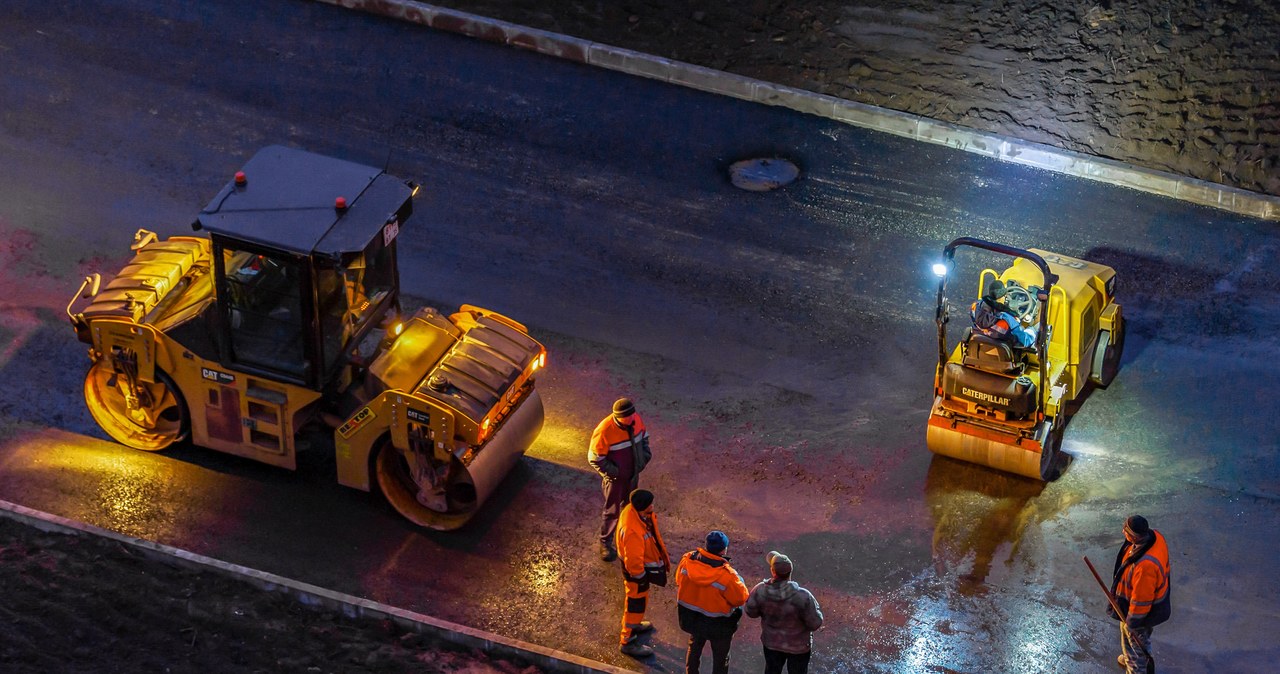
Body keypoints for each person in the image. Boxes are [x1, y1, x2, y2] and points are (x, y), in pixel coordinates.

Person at [675, 530, 750, 674]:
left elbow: (679, 580)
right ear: (724, 549)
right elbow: (740, 598)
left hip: (693, 618)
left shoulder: (687, 561)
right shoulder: (727, 576)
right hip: (719, 625)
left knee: (695, 648)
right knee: (721, 659)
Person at [588, 397, 652, 562]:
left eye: (632, 416)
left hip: (633, 475)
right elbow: (595, 458)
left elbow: (644, 438)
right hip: (615, 480)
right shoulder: (604, 430)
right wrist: (614, 473)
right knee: (612, 511)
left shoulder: (635, 419)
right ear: (617, 417)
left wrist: (644, 457)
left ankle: (627, 537)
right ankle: (605, 543)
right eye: (627, 417)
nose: (631, 419)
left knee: (630, 508)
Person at [1109, 515, 1171, 673]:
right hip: (1131, 605)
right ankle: (1129, 656)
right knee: (1128, 637)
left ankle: (1136, 667)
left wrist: (1133, 622)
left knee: (1138, 644)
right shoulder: (1155, 536)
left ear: (1134, 536)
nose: (1123, 531)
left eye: (1126, 530)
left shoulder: (1145, 566)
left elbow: (1142, 601)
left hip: (1141, 614)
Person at [745, 551, 824, 674]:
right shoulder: (803, 596)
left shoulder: (760, 590)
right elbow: (815, 623)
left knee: (772, 670)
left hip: (771, 643)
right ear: (790, 572)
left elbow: (751, 612)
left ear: (772, 571)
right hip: (799, 647)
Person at [615, 489, 670, 659]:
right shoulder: (632, 531)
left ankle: (634, 625)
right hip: (636, 574)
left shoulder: (633, 513)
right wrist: (640, 578)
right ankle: (627, 642)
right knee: (635, 604)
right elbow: (633, 560)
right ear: (641, 508)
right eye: (650, 505)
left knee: (638, 602)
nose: (653, 506)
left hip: (637, 572)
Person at [970, 279, 1036, 348]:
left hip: (980, 341)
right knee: (1032, 330)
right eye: (1005, 296)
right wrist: (1031, 330)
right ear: (1001, 298)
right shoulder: (1007, 322)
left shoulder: (975, 306)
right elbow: (1025, 341)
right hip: (1002, 349)